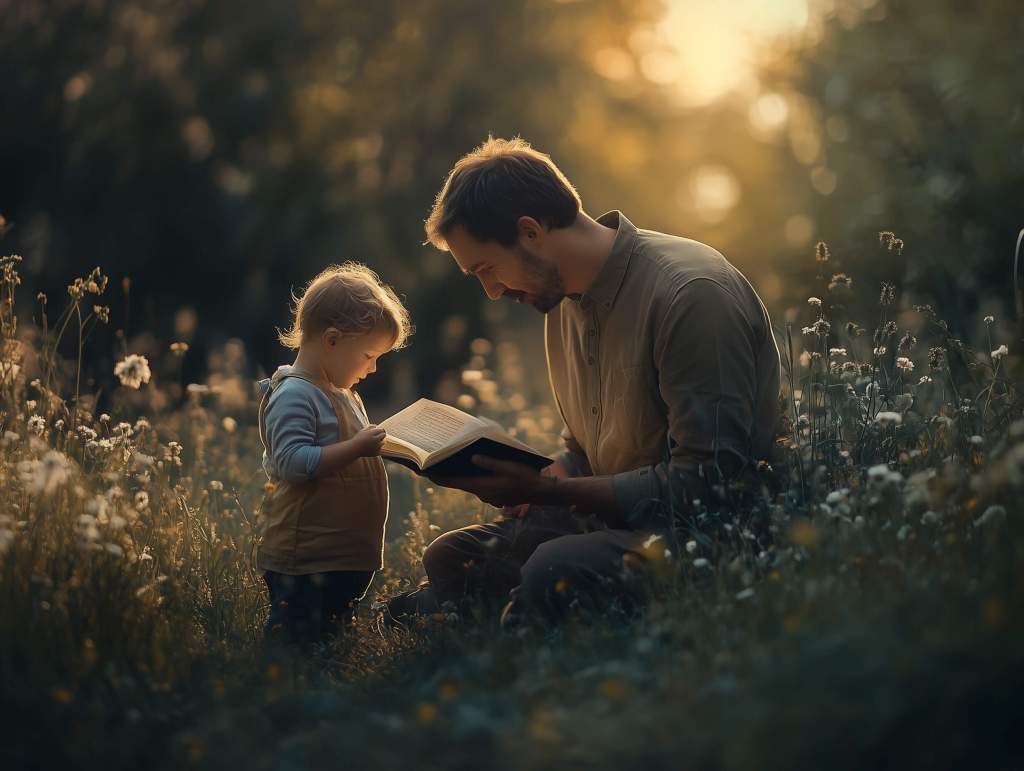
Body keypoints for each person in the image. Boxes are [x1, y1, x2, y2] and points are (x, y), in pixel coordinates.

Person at [384, 137, 781, 626]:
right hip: (616, 520)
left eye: (487, 270)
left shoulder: (690, 295)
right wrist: (536, 476)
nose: (491, 293)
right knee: (451, 555)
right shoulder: (561, 301)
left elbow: (709, 485)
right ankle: (482, 604)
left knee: (555, 566)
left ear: (530, 232)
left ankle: (494, 614)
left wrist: (553, 493)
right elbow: (584, 452)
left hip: (705, 532)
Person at [258, 262, 412, 647]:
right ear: (331, 340)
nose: (373, 368)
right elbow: (293, 462)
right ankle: (284, 688)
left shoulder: (339, 391)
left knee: (331, 640)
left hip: (341, 555)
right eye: (368, 355)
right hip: (308, 560)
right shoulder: (295, 394)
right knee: (297, 641)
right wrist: (358, 448)